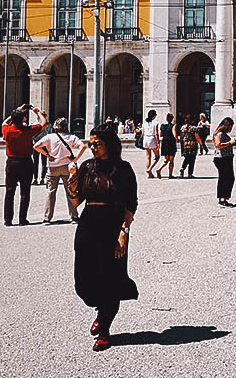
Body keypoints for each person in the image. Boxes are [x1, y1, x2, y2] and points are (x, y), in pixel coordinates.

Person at [68, 122, 138, 352]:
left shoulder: (123, 169)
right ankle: (100, 306)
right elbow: (76, 202)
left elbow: (130, 204)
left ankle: (105, 329)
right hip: (89, 222)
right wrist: (72, 187)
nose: (91, 147)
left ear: (109, 144)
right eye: (90, 143)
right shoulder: (87, 167)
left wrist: (123, 233)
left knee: (110, 279)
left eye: (96, 144)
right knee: (83, 282)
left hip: (112, 223)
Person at [35, 118, 87, 223]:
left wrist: (48, 155)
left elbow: (36, 146)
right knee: (70, 191)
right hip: (67, 166)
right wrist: (76, 158)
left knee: (50, 192)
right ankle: (74, 216)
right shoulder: (71, 137)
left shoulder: (49, 137)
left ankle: (47, 218)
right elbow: (83, 146)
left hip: (53, 167)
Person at [2, 104, 46, 227]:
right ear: (23, 119)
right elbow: (44, 124)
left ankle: (8, 220)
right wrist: (37, 112)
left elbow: (4, 122)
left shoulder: (8, 131)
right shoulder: (28, 131)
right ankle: (22, 219)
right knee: (25, 192)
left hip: (11, 162)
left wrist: (18, 110)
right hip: (26, 162)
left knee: (9, 192)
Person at [212, 117, 236, 206]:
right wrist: (230, 143)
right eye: (230, 126)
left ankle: (223, 198)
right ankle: (222, 199)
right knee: (225, 178)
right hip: (222, 158)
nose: (231, 128)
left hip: (226, 158)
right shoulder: (220, 134)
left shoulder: (221, 133)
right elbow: (218, 145)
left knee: (226, 178)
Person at [138, 109, 160, 176]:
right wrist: (158, 143)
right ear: (153, 116)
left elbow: (143, 133)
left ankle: (149, 174)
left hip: (145, 139)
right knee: (157, 157)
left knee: (148, 157)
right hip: (152, 139)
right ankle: (149, 169)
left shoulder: (144, 123)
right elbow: (156, 134)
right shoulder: (155, 123)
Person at [158, 113, 177, 177]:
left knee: (166, 160)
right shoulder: (173, 126)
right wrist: (177, 139)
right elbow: (174, 134)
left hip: (164, 143)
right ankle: (170, 175)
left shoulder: (162, 126)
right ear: (172, 119)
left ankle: (159, 169)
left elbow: (161, 135)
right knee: (171, 160)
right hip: (171, 143)